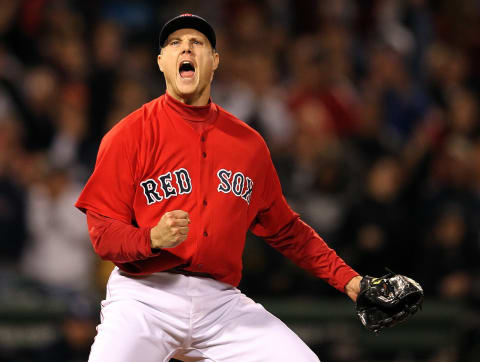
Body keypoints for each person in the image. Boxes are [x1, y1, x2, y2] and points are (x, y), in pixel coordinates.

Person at [75, 14, 362, 362]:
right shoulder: (128, 135)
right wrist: (149, 239)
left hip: (220, 304)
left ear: (215, 62)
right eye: (175, 44)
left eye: (197, 43)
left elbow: (287, 231)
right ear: (162, 62)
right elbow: (103, 235)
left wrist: (350, 281)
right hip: (144, 297)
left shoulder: (248, 144)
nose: (186, 49)